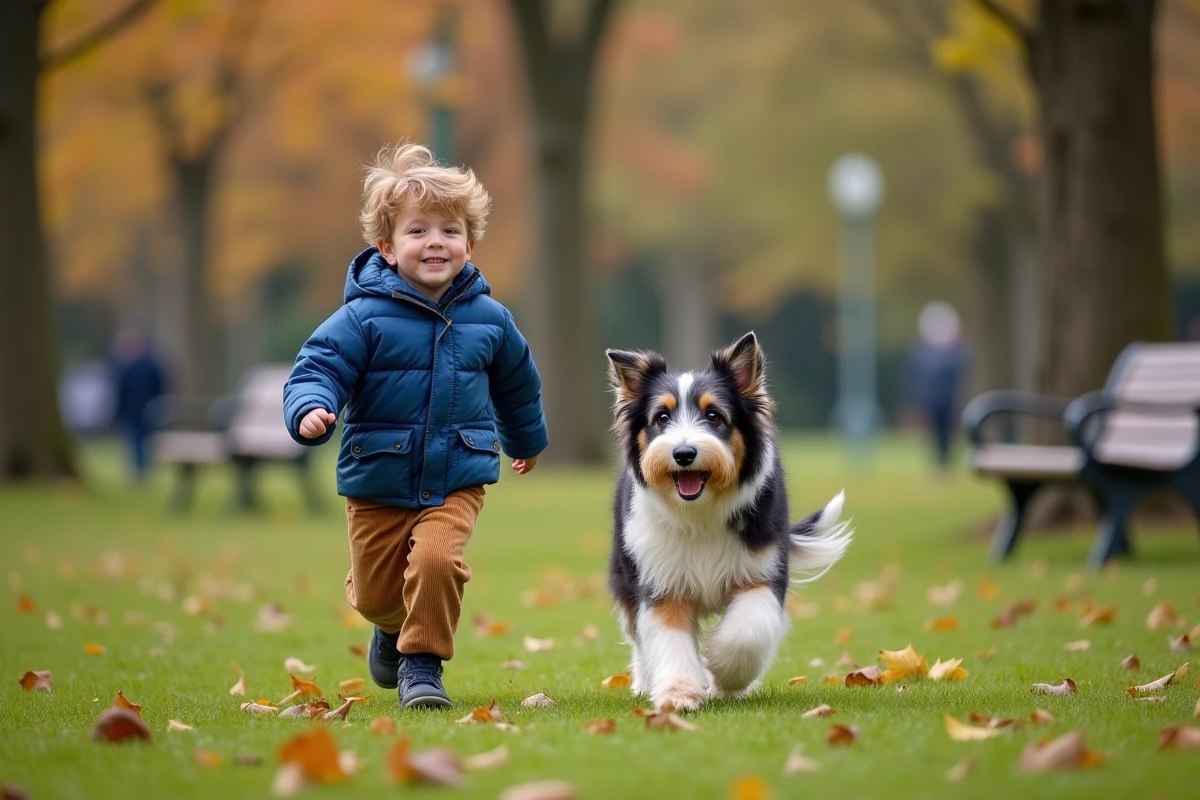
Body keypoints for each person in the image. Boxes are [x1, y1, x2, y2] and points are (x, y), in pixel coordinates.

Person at [283, 143, 548, 710]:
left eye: (450, 231)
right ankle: (390, 626)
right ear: (386, 246)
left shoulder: (492, 320)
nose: (435, 242)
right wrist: (310, 408)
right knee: (377, 595)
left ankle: (422, 668)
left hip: (457, 473)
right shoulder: (361, 317)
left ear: (469, 245)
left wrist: (525, 442)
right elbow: (318, 367)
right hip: (378, 476)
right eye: (417, 230)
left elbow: (518, 386)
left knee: (435, 561)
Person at [907, 301, 969, 473]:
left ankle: (946, 464)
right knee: (934, 434)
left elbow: (960, 369)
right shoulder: (922, 352)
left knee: (947, 433)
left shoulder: (955, 352)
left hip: (948, 399)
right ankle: (938, 464)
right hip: (931, 399)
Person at [111, 325, 166, 483]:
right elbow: (121, 393)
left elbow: (160, 388)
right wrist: (119, 412)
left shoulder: (152, 365)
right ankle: (138, 472)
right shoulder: (124, 367)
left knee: (147, 443)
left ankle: (144, 472)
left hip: (150, 411)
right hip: (131, 412)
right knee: (134, 443)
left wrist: (160, 407)